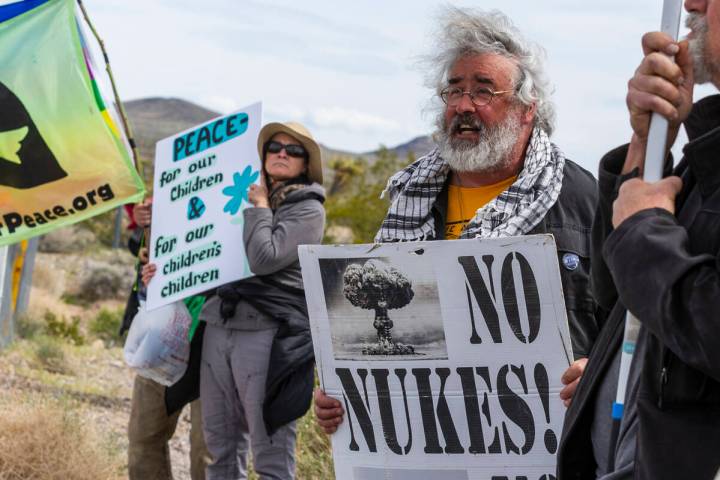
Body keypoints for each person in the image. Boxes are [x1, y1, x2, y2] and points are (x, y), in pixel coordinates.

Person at [314, 7, 601, 434]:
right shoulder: (412, 197)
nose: (464, 105)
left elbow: (631, 326)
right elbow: (374, 346)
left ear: (527, 109)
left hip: (549, 442)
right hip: (433, 440)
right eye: (454, 90)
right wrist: (344, 391)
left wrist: (597, 374)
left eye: (484, 91)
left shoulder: (581, 199)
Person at [557, 1, 720, 478]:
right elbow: (619, 294)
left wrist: (644, 233)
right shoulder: (708, 155)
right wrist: (646, 148)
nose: (691, 4)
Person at [198, 122, 325, 479]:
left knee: (269, 446)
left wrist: (258, 207)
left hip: (266, 332)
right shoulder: (240, 197)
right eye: (274, 147)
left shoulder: (308, 210)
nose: (282, 153)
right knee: (219, 443)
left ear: (305, 164)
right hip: (220, 323)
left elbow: (264, 258)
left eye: (293, 150)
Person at [125, 198, 211, 480]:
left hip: (217, 338)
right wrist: (143, 226)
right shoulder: (174, 181)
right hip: (164, 336)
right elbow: (144, 251)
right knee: (143, 436)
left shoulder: (246, 186)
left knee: (209, 450)